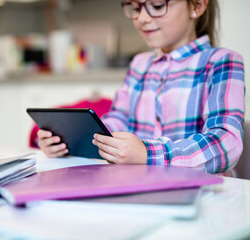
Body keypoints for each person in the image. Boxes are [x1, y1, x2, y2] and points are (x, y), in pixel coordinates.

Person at [37, 0, 245, 173]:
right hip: (140, 185)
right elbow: (119, 119)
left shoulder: (221, 61)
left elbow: (226, 142)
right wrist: (71, 140)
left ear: (197, 6)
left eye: (156, 5)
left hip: (206, 192)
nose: (142, 19)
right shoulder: (139, 64)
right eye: (135, 8)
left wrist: (147, 154)